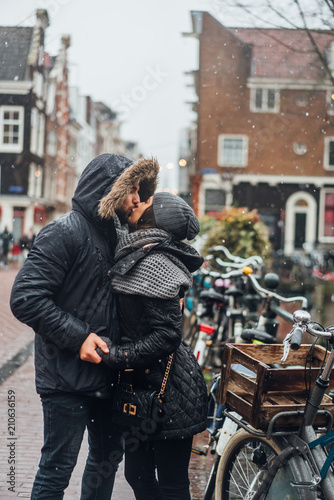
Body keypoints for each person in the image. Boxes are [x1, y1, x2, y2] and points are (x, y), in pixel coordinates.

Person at [10, 153, 159, 500]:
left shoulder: (119, 235)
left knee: (107, 460)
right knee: (57, 468)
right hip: (66, 378)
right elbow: (25, 298)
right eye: (131, 190)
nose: (138, 199)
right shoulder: (63, 232)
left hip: (110, 375)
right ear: (109, 190)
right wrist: (78, 337)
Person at [97, 191, 208, 500]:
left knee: (172, 484)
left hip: (170, 392)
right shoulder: (139, 250)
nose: (138, 202)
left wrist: (118, 355)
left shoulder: (155, 263)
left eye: (146, 202)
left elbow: (167, 334)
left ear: (154, 218)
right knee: (137, 474)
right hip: (145, 385)